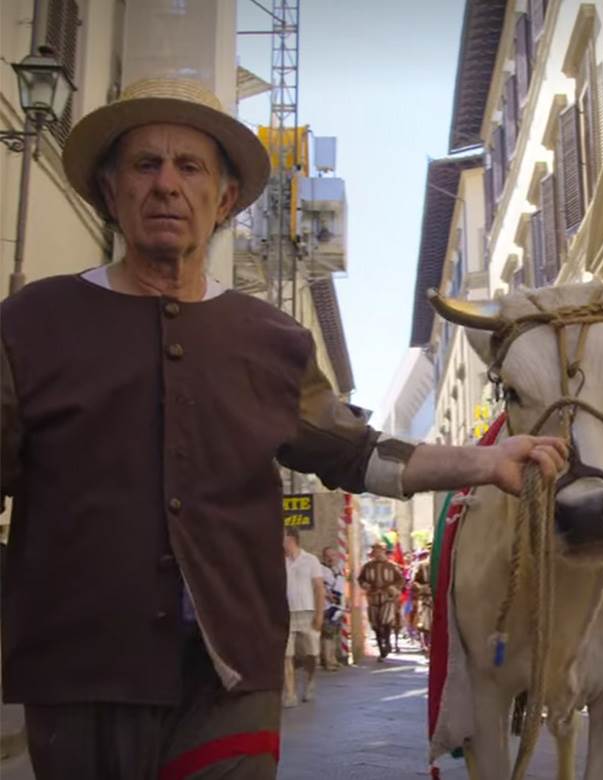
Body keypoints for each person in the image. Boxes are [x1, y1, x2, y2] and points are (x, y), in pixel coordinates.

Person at [0, 77, 568, 780]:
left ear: (225, 200)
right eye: (145, 165)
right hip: (81, 672)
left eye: (190, 167)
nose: (167, 185)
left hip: (230, 674)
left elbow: (357, 453)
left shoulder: (271, 340)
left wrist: (486, 463)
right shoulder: (33, 323)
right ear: (110, 192)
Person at [282, 529, 323, 707]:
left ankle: (310, 682)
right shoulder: (279, 561)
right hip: (286, 613)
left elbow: (319, 588)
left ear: (291, 540)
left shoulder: (310, 560)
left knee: (311, 654)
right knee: (286, 655)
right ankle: (290, 693)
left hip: (308, 612)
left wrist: (319, 614)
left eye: (282, 539)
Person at [357, 542, 405, 661]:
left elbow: (400, 580)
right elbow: (361, 579)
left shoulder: (392, 566)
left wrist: (393, 588)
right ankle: (380, 648)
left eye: (379, 551)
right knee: (375, 624)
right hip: (373, 598)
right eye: (375, 551)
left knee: (386, 620)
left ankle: (387, 641)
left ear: (384, 552)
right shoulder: (367, 567)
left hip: (387, 597)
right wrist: (366, 585)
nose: (377, 553)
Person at [319, 545, 346, 671]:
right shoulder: (320, 569)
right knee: (327, 634)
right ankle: (327, 661)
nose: (331, 558)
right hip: (326, 606)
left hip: (338, 606)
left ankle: (333, 658)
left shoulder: (339, 569)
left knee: (334, 634)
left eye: (333, 555)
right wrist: (327, 595)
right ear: (324, 557)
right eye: (327, 556)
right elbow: (319, 585)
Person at [411, 546, 434, 656]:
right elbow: (415, 582)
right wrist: (423, 588)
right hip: (426, 599)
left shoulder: (445, 564)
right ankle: (428, 647)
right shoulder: (422, 565)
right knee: (425, 624)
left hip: (441, 600)